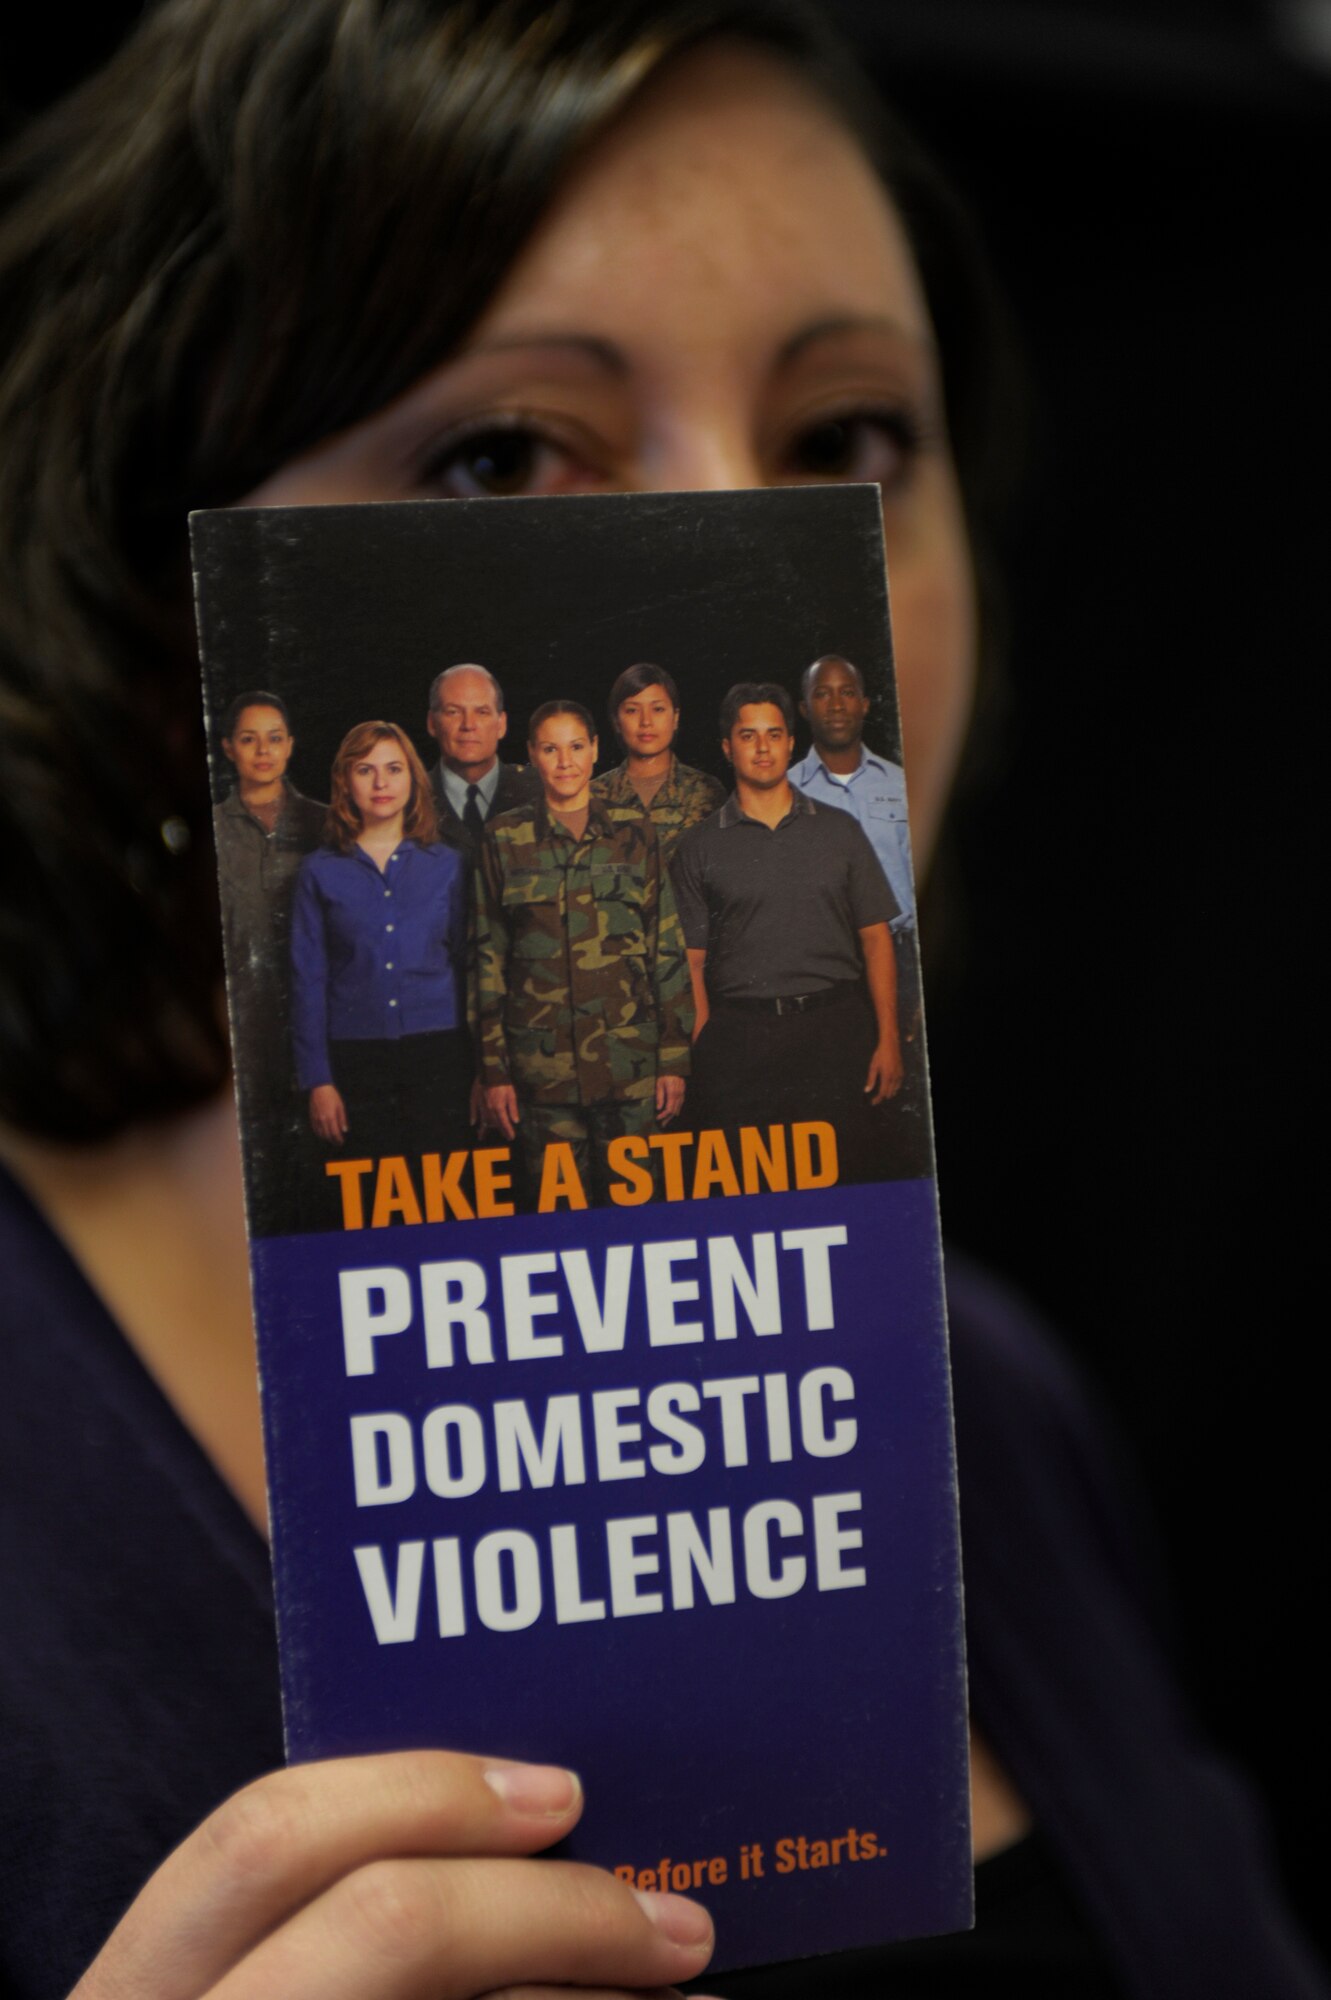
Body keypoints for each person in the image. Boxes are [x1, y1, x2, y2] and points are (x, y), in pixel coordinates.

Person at [0, 4, 1323, 1997]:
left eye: (845, 438)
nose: (751, 575)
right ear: (149, 621)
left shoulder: (990, 1399)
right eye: (498, 453)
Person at [673, 682, 911, 1181]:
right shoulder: (699, 847)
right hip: (741, 1042)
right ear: (726, 747)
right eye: (748, 735)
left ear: (789, 743)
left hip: (835, 1033)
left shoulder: (840, 830)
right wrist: (707, 1051)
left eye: (774, 734)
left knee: (848, 1185)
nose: (762, 747)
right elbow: (691, 963)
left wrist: (888, 1039)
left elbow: (875, 938)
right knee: (752, 1195)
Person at [472, 699, 692, 1202]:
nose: (565, 761)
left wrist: (675, 1060)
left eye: (576, 747)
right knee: (558, 1220)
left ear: (595, 751)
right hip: (543, 1075)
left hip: (630, 1067)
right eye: (550, 749)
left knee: (638, 1221)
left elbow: (667, 947)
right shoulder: (504, 839)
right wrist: (494, 1071)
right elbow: (487, 960)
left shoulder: (635, 834)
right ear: (532, 755)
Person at [291, 721, 471, 1176]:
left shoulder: (448, 866)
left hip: (440, 1054)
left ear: (413, 779)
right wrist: (319, 1081)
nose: (381, 782)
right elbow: (307, 979)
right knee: (370, 1194)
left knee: (443, 1191)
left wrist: (484, 1071)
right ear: (345, 783)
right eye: (365, 770)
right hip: (355, 1060)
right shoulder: (318, 872)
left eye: (393, 768)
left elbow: (472, 967)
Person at [790, 652, 929, 1141]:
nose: (835, 704)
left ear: (866, 704)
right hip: (833, 966)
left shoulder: (902, 783)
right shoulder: (784, 791)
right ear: (804, 708)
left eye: (846, 692)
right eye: (821, 693)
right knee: (844, 1107)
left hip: (905, 960)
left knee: (910, 1105)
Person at [212, 691, 327, 1232]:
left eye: (275, 737)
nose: (264, 750)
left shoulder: (326, 826)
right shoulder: (213, 834)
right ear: (229, 748)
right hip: (242, 1040)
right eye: (250, 739)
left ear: (291, 747)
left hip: (322, 1032)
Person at [591, 661, 726, 860]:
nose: (646, 721)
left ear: (676, 717)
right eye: (632, 710)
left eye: (658, 709)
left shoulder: (706, 791)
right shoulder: (593, 795)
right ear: (616, 721)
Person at [425, 661, 541, 859]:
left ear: (501, 724)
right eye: (453, 711)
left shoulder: (541, 791)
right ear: (432, 723)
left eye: (482, 712)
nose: (468, 725)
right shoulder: (409, 799)